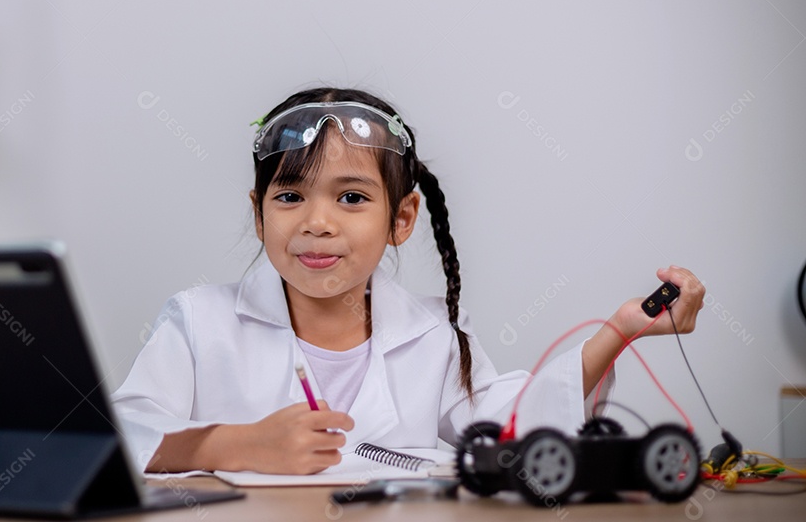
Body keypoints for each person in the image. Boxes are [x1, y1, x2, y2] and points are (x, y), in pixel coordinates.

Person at [111, 87, 705, 474]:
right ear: (258, 210)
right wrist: (233, 445)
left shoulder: (435, 336)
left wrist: (621, 331)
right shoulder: (198, 324)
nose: (316, 222)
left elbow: (512, 429)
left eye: (350, 197)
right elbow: (120, 435)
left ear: (401, 220)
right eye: (289, 195)